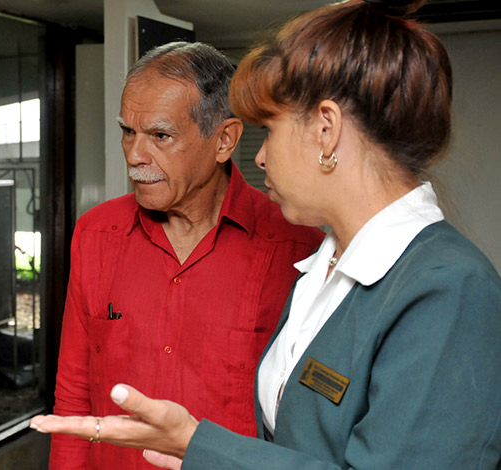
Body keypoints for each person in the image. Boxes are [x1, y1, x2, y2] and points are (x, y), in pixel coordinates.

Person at [31, 1, 501, 469]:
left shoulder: (450, 289)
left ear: (326, 130)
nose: (260, 157)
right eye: (127, 133)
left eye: (271, 130)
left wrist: (197, 445)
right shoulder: (323, 272)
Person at [49, 41, 324, 469]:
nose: (136, 156)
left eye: (160, 136)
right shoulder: (97, 234)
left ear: (224, 141)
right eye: (128, 131)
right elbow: (73, 394)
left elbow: (303, 423)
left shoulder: (298, 249)